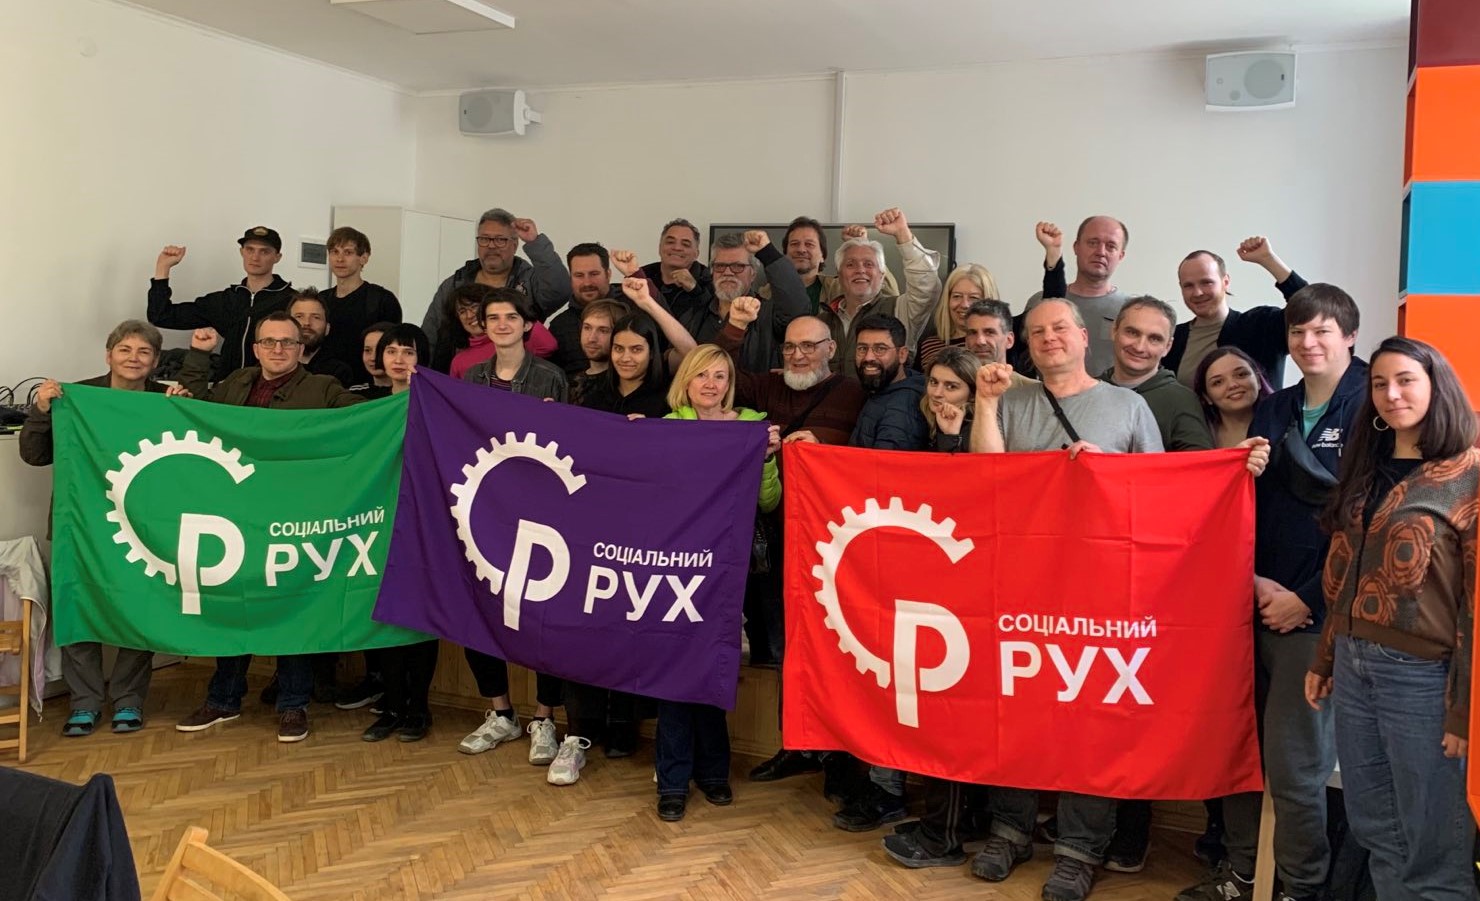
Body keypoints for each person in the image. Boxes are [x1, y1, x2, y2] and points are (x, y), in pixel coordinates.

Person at [966, 299, 1163, 901]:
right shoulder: (1011, 399)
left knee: (1092, 718)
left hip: (1100, 592)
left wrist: (1111, 475)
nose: (1049, 338)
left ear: (1083, 336)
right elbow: (985, 479)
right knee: (1015, 709)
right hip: (1021, 584)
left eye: (1059, 328)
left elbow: (1159, 498)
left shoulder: (1128, 406)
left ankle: (1080, 849)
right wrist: (985, 403)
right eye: (1036, 332)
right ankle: (1010, 830)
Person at [1176, 284, 1365, 901]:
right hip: (1250, 604)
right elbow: (1246, 510)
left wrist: (1308, 599)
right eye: (1297, 332)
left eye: (1322, 331)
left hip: (1316, 619)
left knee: (1294, 767)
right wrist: (1251, 581)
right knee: (1234, 753)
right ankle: (1241, 874)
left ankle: (1300, 888)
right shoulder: (1275, 407)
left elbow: (1368, 526)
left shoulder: (1372, 404)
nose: (1308, 343)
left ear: (1349, 337)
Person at [1304, 336, 1476, 901]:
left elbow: (1474, 605)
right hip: (1354, 667)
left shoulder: (1468, 474)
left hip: (1423, 676)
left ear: (1436, 386)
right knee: (1377, 829)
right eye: (1379, 384)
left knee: (1433, 844)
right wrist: (1326, 657)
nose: (1391, 394)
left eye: (1406, 380)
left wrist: (1463, 711)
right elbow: (1345, 572)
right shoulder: (1367, 465)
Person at [172, 312, 364, 743]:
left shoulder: (323, 387)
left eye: (288, 342)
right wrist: (198, 357)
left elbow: (364, 422)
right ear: (256, 347)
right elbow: (198, 409)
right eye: (270, 342)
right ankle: (223, 699)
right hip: (236, 515)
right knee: (232, 606)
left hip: (293, 518)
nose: (278, 349)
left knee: (289, 609)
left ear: (301, 349)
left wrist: (408, 396)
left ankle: (293, 705)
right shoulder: (236, 382)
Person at [19, 320, 187, 737]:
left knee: (140, 612)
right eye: (125, 349)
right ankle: (84, 703)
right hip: (80, 527)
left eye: (144, 352)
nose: (134, 358)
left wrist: (187, 411)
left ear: (155, 361)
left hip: (144, 530)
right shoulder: (76, 398)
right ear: (109, 355)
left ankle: (129, 699)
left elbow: (184, 466)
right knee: (79, 612)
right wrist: (41, 411)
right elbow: (34, 455)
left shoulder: (166, 400)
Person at [652, 345, 782, 819]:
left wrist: (766, 461)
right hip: (676, 564)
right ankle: (672, 780)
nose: (711, 384)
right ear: (685, 381)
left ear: (730, 383)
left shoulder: (751, 426)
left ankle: (712, 773)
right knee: (673, 667)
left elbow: (768, 501)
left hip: (729, 566)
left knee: (712, 664)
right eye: (701, 375)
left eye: (720, 376)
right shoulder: (667, 428)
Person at [456, 290, 567, 766]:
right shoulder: (471, 376)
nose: (501, 324)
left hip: (541, 511)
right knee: (477, 610)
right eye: (493, 317)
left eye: (510, 317)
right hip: (486, 505)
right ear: (482, 326)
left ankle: (544, 717)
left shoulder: (549, 376)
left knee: (544, 616)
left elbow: (567, 442)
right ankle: (501, 713)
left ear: (527, 325)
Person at [352, 324, 441, 743]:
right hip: (375, 522)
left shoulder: (439, 405)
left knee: (418, 617)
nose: (399, 359)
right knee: (383, 614)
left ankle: (418, 708)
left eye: (409, 351)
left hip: (422, 522)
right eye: (391, 351)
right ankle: (391, 705)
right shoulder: (365, 407)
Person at [147, 226, 295, 378]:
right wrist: (162, 268)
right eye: (250, 249)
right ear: (242, 252)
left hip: (278, 387)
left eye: (264, 251)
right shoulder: (224, 301)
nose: (255, 257)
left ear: (277, 257)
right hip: (229, 386)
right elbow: (160, 316)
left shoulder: (292, 301)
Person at [421, 210, 569, 362]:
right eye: (484, 239)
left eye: (500, 240)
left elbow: (560, 290)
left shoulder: (529, 282)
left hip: (518, 372)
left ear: (515, 245)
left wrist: (535, 242)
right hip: (458, 372)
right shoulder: (455, 284)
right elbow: (430, 334)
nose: (491, 246)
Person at [1166, 238, 1309, 388]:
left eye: (1206, 282)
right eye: (1188, 285)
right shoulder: (1172, 339)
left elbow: (1310, 308)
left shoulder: (1262, 325)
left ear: (1225, 282)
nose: (1198, 293)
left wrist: (1268, 259)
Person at [819, 208, 942, 376]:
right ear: (839, 276)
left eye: (869, 264)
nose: (860, 270)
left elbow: (926, 287)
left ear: (882, 275)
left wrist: (903, 234)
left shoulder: (900, 310)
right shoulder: (822, 321)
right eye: (850, 264)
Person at [673, 231, 808, 373]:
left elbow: (798, 309)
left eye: (737, 266)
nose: (727, 272)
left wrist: (768, 253)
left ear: (753, 274)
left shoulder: (769, 314)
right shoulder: (694, 316)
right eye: (720, 266)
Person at [1099, 296, 1214, 452]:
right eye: (1132, 333)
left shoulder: (1182, 401)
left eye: (1154, 339)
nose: (1139, 347)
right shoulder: (1087, 390)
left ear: (1168, 346)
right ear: (1114, 330)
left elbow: (1199, 463)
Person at [1021, 217, 1132, 377]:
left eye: (1111, 246)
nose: (1101, 252)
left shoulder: (1130, 311)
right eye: (1093, 243)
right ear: (1076, 247)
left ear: (1120, 255)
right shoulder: (1040, 303)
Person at [319, 226, 403, 384]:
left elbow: (391, 348)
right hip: (324, 383)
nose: (339, 259)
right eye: (335, 252)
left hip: (366, 385)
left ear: (364, 258)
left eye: (348, 252)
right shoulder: (320, 300)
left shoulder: (382, 300)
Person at [769, 216, 900, 315]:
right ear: (785, 254)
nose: (801, 249)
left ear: (823, 256)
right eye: (794, 244)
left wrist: (862, 245)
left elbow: (889, 296)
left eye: (809, 244)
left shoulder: (839, 286)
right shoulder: (767, 292)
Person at [575, 308, 672, 418]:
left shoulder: (669, 400)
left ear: (651, 353)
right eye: (619, 349)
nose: (625, 358)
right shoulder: (595, 396)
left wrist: (651, 425)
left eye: (636, 350)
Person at [915, 264, 1002, 372]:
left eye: (973, 298)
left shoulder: (997, 344)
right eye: (957, 296)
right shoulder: (928, 346)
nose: (964, 304)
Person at [1194, 347, 1275, 450]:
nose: (1232, 385)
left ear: (1258, 380)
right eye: (1218, 382)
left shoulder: (1286, 425)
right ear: (1206, 396)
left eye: (1241, 374)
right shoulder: (1198, 438)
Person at [639, 218, 710, 317]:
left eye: (685, 244)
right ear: (660, 248)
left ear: (696, 254)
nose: (677, 248)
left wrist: (695, 290)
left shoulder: (710, 282)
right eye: (670, 242)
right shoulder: (642, 276)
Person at [288, 289, 355, 387]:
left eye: (316, 317)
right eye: (299, 316)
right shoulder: (272, 365)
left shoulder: (339, 372)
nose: (306, 323)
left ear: (327, 329)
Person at [567, 299, 625, 406]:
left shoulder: (625, 385)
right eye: (587, 328)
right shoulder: (573, 382)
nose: (591, 338)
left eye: (603, 330)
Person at [348, 321, 396, 398]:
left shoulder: (411, 394)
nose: (373, 358)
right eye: (367, 350)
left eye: (380, 351)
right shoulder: (353, 393)